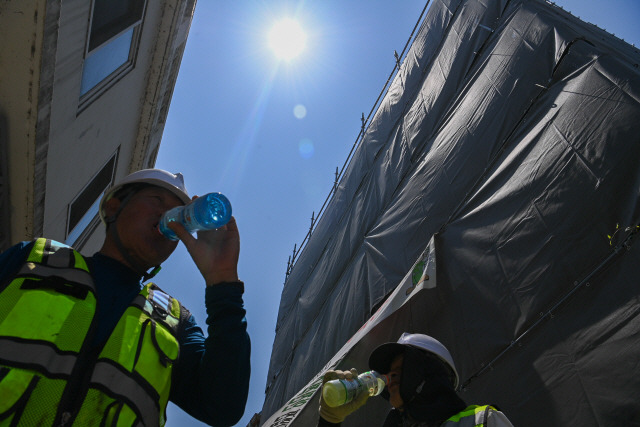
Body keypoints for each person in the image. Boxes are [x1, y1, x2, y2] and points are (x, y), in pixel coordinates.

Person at [0, 169, 250, 426]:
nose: (170, 218)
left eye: (181, 217)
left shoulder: (176, 322)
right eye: (157, 200)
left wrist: (223, 282)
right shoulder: (36, 259)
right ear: (113, 207)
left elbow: (223, 408)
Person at [318, 333, 513, 427]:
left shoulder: (481, 420)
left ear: (430, 373)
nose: (389, 378)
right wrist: (329, 420)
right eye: (388, 372)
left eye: (402, 369)